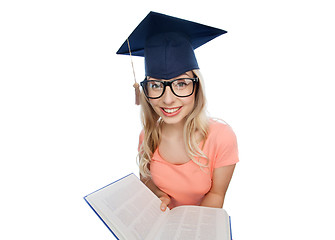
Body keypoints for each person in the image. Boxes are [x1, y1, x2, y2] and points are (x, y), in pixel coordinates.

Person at [117, 11, 239, 211]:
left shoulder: (221, 137)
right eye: (156, 85)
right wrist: (157, 195)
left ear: (197, 86)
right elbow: (146, 180)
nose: (167, 99)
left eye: (181, 84)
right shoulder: (147, 136)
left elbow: (217, 195)